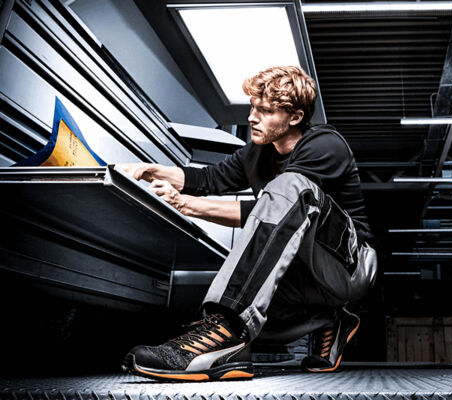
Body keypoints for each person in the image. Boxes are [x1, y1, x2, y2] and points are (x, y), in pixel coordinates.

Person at [120, 66, 377, 382]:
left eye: (266, 111)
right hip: (307, 277)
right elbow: (208, 178)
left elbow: (274, 205)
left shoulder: (325, 145)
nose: (253, 118)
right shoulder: (258, 151)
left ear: (295, 117)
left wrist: (184, 204)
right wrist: (152, 170)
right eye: (253, 108)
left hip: (350, 266)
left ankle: (225, 330)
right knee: (259, 324)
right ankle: (327, 319)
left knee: (289, 187)